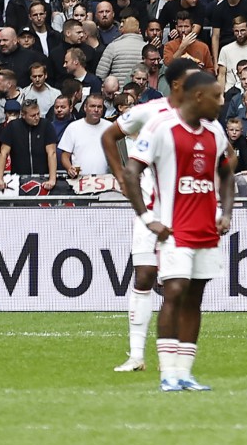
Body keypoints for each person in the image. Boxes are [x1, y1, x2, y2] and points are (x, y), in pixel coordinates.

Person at [125, 68, 234, 393]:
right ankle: (167, 373)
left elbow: (227, 173)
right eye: (217, 97)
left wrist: (225, 212)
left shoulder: (215, 132)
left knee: (195, 299)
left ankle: (184, 372)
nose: (221, 103)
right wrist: (147, 219)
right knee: (173, 292)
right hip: (174, 229)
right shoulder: (161, 127)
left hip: (206, 229)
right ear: (198, 97)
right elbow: (132, 172)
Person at [99, 55, 201, 373]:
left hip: (179, 211)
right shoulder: (145, 117)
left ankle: (176, 357)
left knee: (178, 284)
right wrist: (120, 176)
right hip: (147, 212)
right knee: (143, 276)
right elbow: (109, 137)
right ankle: (136, 355)